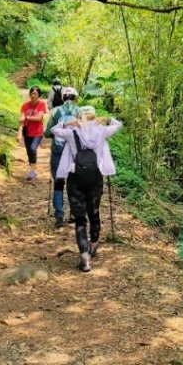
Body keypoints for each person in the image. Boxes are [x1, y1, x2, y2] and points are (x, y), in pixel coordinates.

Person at [51, 106, 122, 272]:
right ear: (94, 117)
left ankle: (84, 256)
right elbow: (118, 124)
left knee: (80, 219)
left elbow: (54, 130)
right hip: (95, 179)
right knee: (94, 213)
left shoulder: (71, 132)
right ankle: (94, 243)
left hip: (75, 179)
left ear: (79, 118)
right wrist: (106, 119)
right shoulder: (102, 131)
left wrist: (69, 122)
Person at [44, 86, 79, 227]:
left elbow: (47, 132)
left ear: (63, 97)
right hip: (74, 152)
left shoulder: (56, 111)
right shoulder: (80, 112)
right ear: (75, 98)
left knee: (58, 184)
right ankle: (75, 214)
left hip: (58, 152)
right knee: (74, 183)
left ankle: (59, 215)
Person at [17, 86, 46, 181]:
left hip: (38, 132)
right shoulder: (25, 105)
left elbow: (39, 118)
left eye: (35, 94)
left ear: (39, 95)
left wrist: (26, 117)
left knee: (33, 149)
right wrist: (19, 133)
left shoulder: (41, 104)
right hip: (27, 132)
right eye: (32, 93)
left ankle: (32, 171)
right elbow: (21, 120)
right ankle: (32, 169)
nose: (33, 96)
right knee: (29, 152)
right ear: (29, 94)